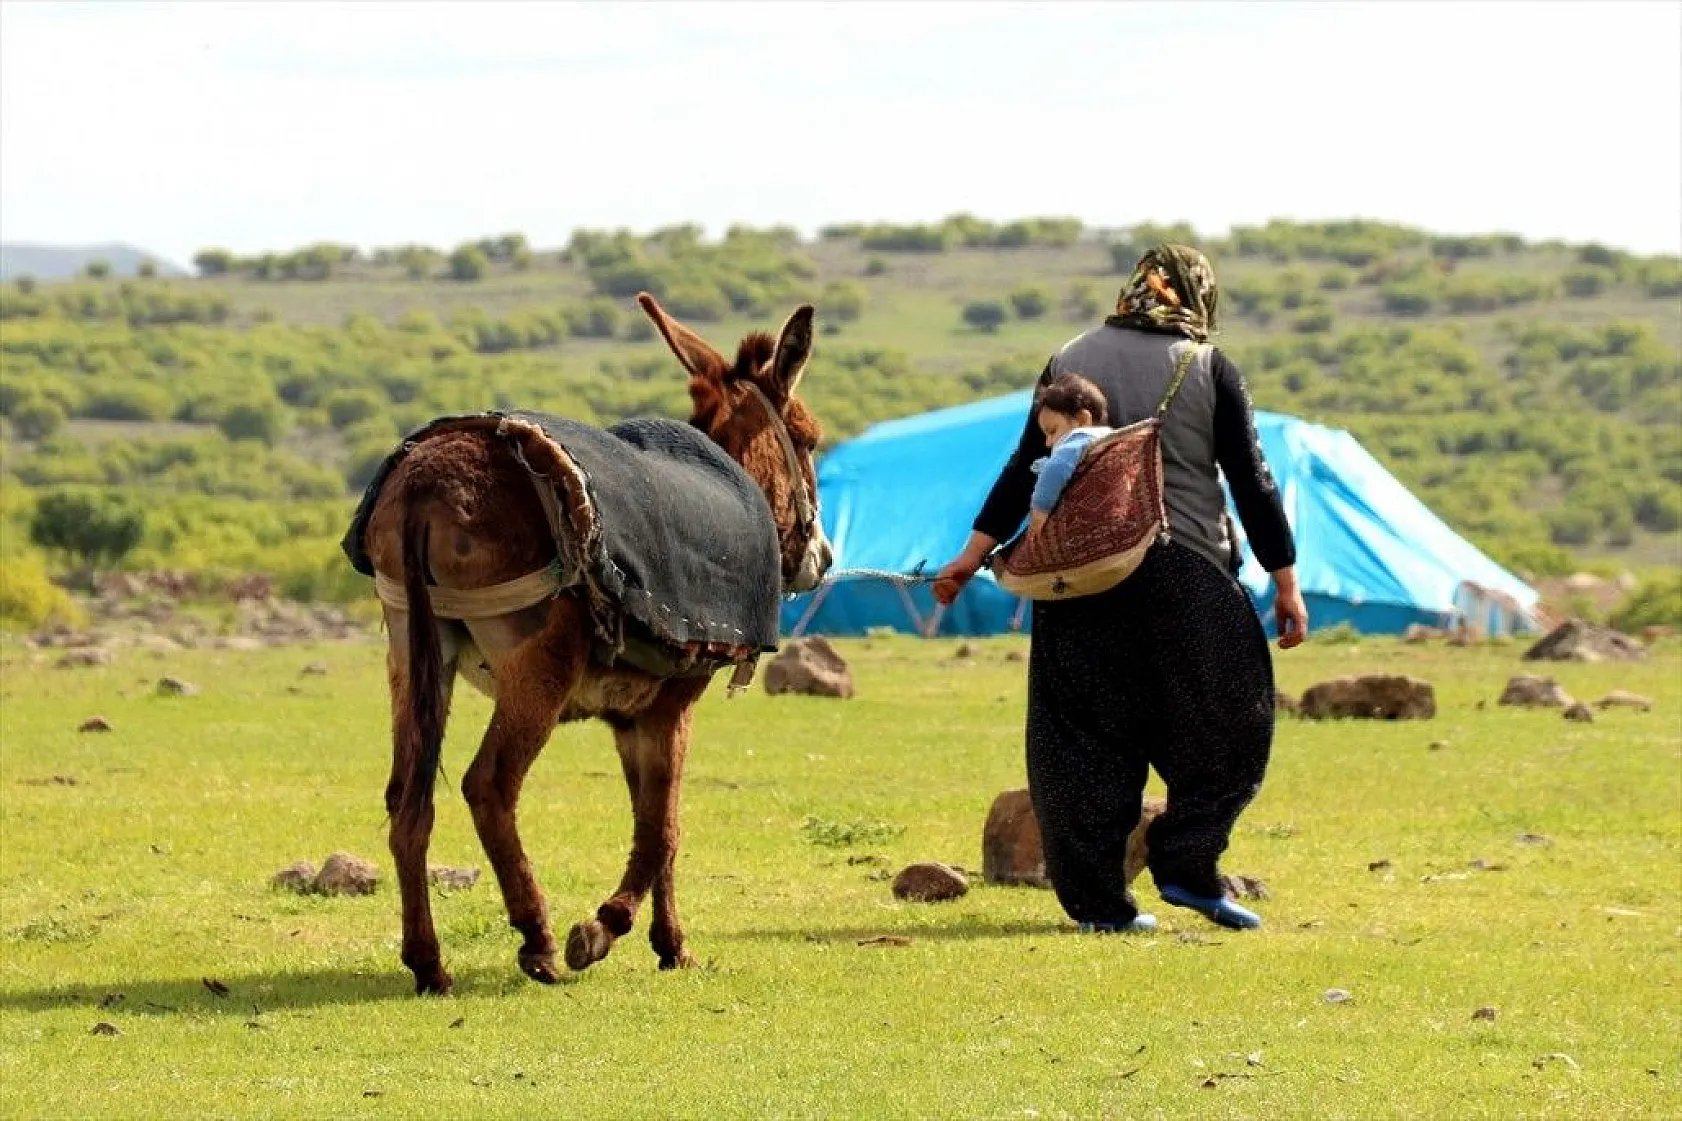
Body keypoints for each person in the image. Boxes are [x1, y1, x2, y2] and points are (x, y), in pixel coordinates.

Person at [934, 243, 1309, 935]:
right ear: (1198, 297)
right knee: (1231, 720)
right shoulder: (1207, 366)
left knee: (1079, 737)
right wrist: (1286, 582)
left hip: (1079, 577)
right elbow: (1253, 481)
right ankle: (1186, 864)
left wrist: (970, 556)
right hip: (1185, 571)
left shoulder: (1068, 356)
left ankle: (1102, 904)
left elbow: (1026, 467)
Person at [1026, 373, 1111, 536]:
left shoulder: (1080, 438)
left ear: (1082, 419)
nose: (1048, 443)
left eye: (1052, 431)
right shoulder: (1109, 436)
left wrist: (1038, 518)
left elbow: (1056, 468)